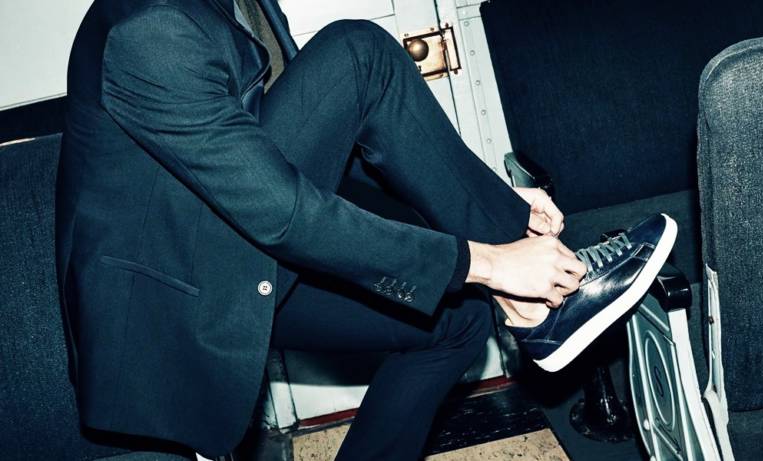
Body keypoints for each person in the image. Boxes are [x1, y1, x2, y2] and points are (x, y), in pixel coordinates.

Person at [54, 0, 677, 459]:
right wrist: (487, 261)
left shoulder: (238, 5)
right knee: (359, 53)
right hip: (180, 302)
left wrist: (497, 201)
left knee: (454, 320)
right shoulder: (149, 28)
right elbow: (283, 208)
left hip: (232, 242)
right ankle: (537, 303)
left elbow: (318, 145)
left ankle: (531, 294)